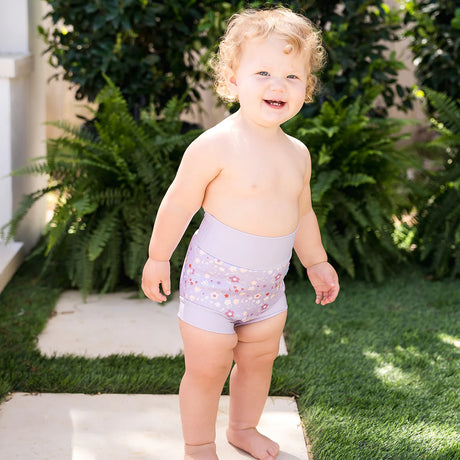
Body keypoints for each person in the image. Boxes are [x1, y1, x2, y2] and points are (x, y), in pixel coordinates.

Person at [142, 7, 339, 460]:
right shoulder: (215, 144)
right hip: (211, 286)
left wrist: (316, 261)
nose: (278, 85)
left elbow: (303, 212)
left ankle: (243, 429)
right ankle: (198, 446)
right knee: (207, 369)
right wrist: (157, 257)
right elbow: (178, 203)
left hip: (267, 290)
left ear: (307, 88)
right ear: (232, 80)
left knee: (258, 362)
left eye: (292, 76)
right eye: (263, 72)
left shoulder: (298, 153)